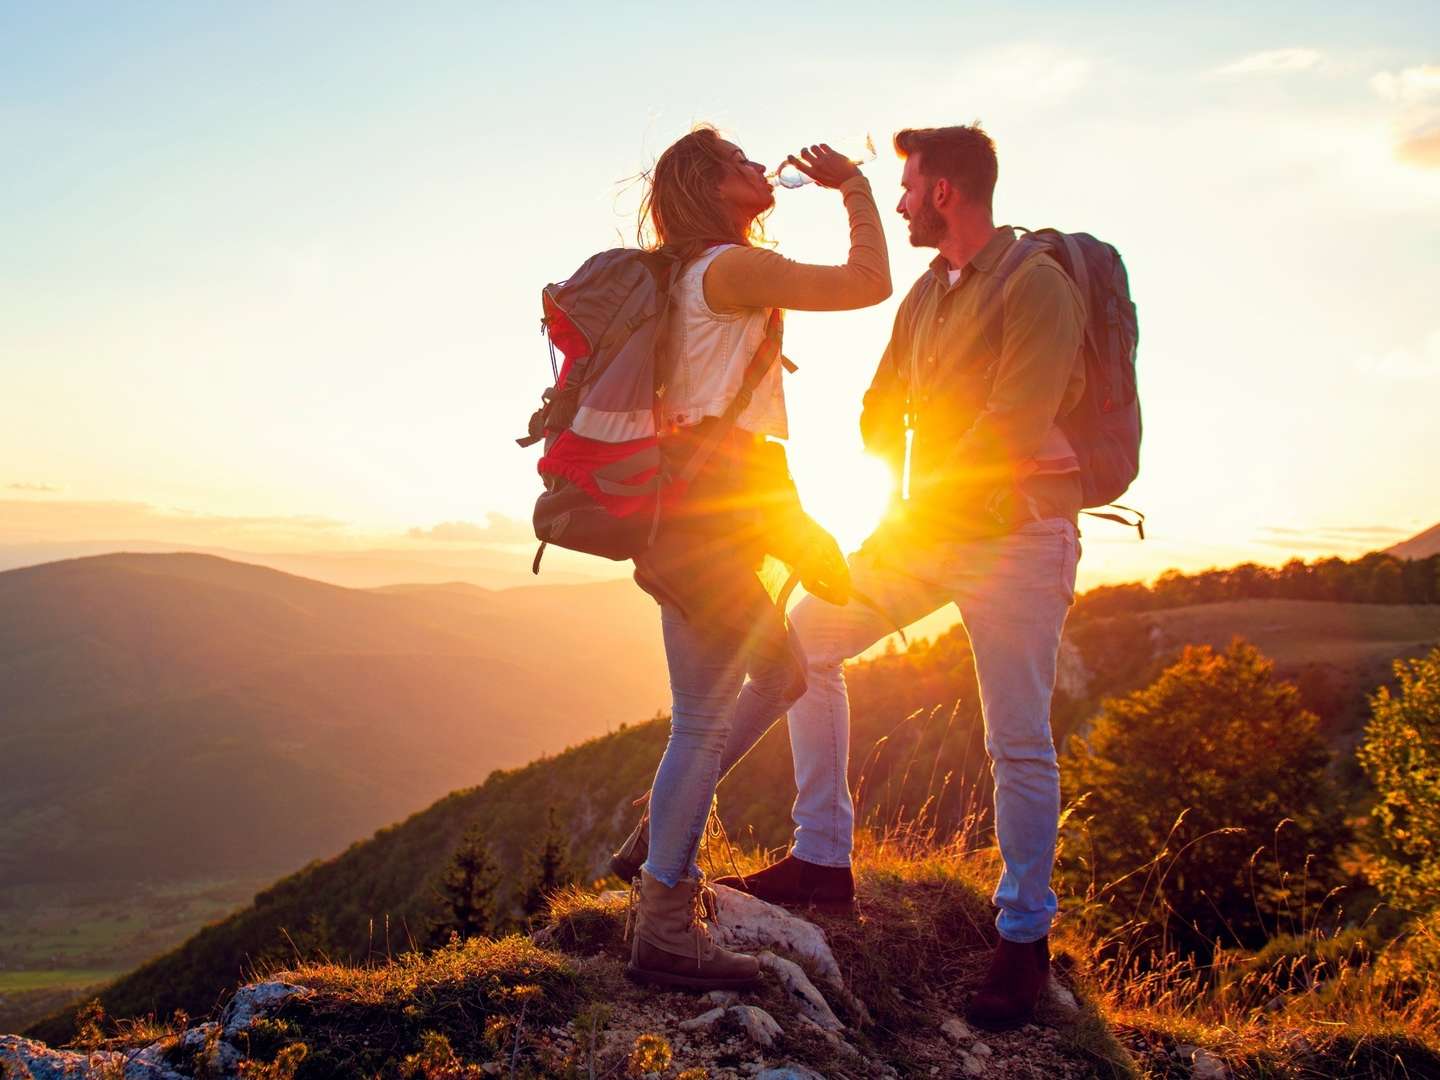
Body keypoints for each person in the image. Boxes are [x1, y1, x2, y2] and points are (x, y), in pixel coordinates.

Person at [615, 123, 1085, 1028]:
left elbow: (1014, 428)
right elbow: (879, 402)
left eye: (907, 188)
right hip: (926, 533)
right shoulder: (926, 297)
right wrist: (897, 484)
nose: (901, 200)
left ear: (944, 191)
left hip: (1020, 540)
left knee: (1015, 738)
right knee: (805, 646)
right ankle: (823, 857)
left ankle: (1024, 937)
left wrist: (925, 495)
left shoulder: (1038, 286)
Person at [621, 125, 891, 992]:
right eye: (737, 159)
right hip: (705, 521)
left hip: (686, 513)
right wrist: (852, 186)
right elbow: (868, 284)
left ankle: (653, 851)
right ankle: (662, 921)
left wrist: (792, 526)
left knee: (770, 677)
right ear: (710, 184)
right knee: (707, 715)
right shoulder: (727, 270)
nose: (756, 164)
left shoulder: (683, 276)